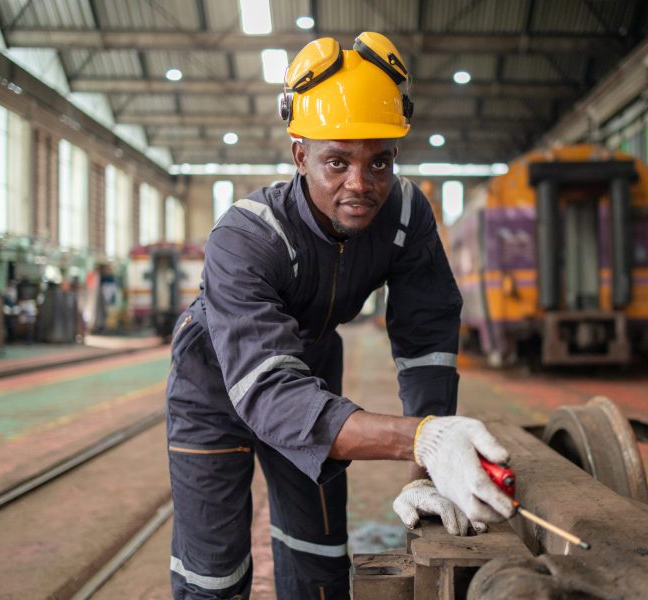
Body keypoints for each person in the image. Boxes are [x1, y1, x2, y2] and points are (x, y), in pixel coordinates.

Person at [166, 32, 514, 600]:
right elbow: (270, 391)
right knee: (213, 571)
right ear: (299, 154)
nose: (361, 185)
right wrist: (421, 438)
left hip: (312, 365)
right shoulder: (244, 236)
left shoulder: (405, 215)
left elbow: (427, 342)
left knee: (319, 555)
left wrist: (426, 476)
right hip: (215, 385)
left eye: (379, 161)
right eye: (337, 161)